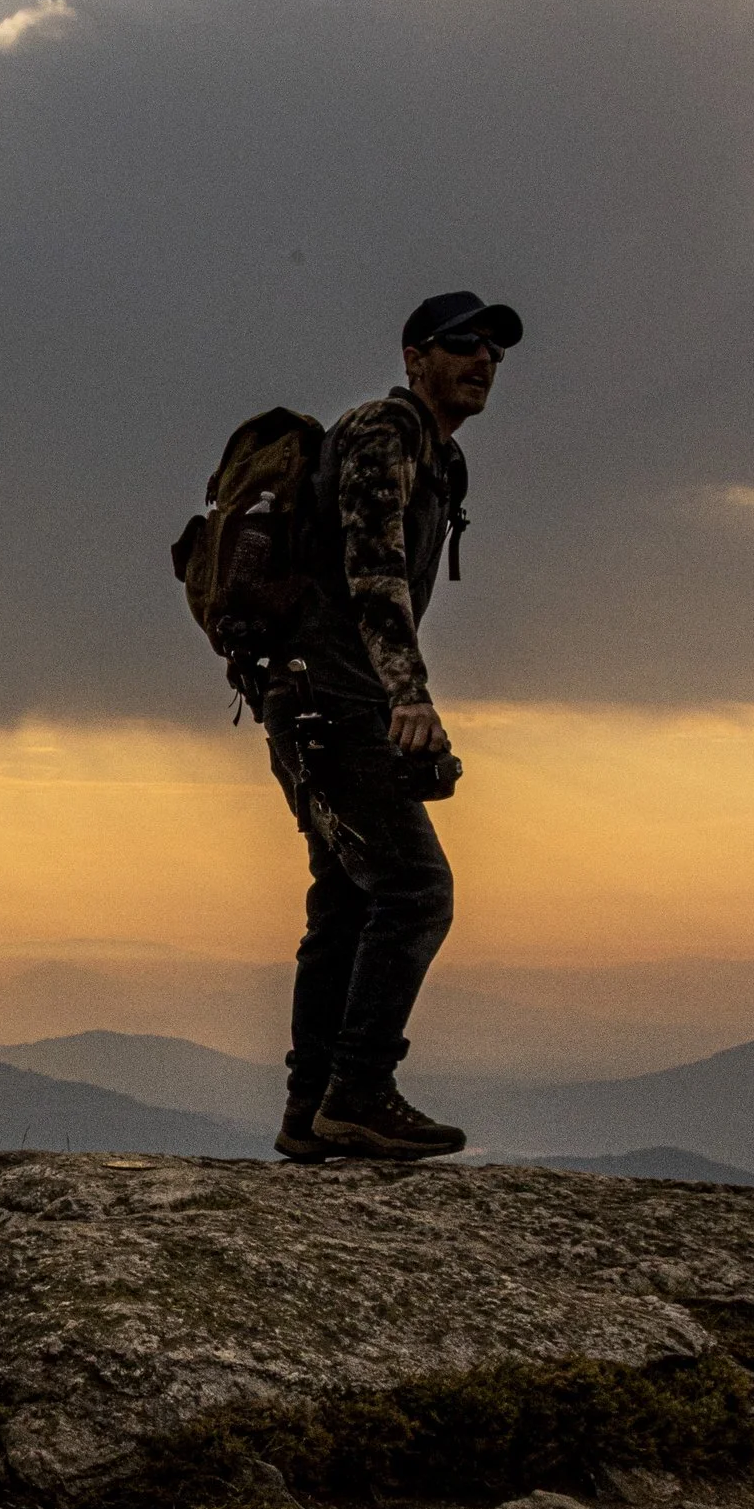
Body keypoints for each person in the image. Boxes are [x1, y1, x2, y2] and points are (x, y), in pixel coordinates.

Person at [266, 290, 523, 1163]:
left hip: (325, 696)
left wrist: (400, 704)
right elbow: (374, 572)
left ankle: (311, 1111)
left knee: (348, 900)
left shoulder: (440, 458)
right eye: (464, 344)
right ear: (415, 355)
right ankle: (359, 1092)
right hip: (329, 697)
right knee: (415, 890)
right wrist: (409, 697)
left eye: (495, 349)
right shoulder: (384, 430)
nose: (484, 360)